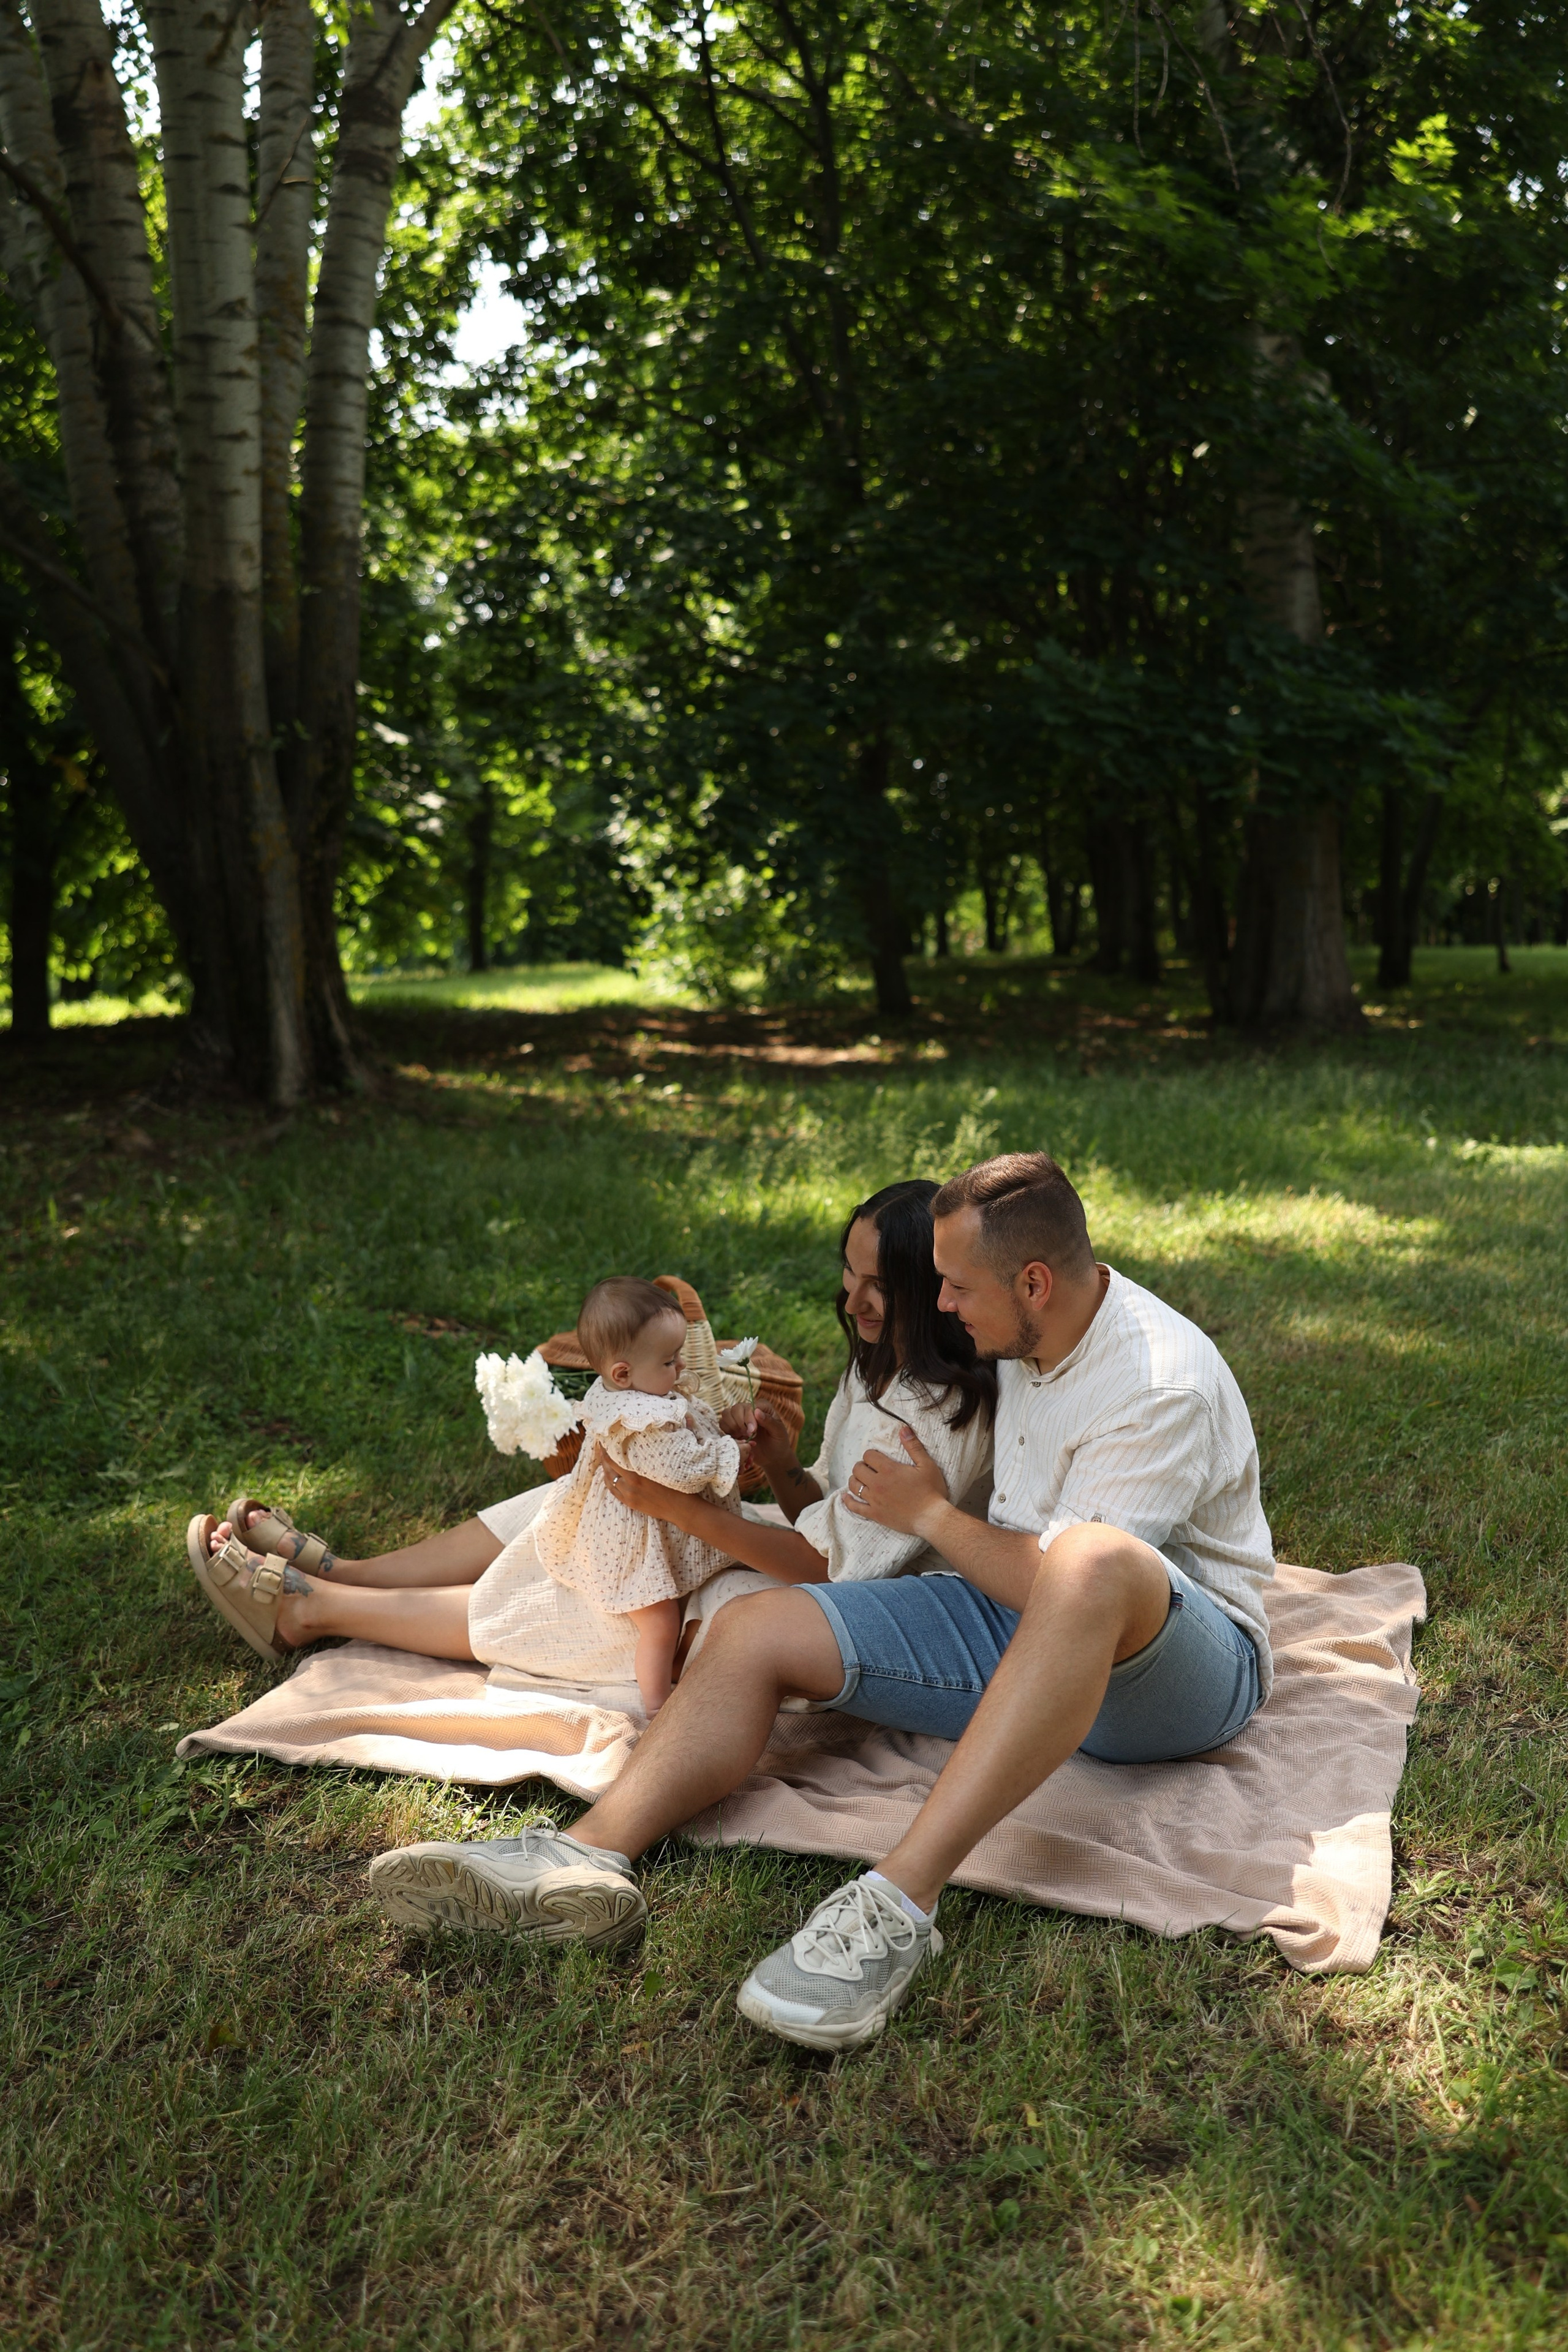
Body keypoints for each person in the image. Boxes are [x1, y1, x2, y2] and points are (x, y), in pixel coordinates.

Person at [368, 1152, 1275, 2055]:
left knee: (1091, 1560)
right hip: (1012, 1619)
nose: (943, 1304)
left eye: (956, 1286)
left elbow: (1066, 1588)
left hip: (1170, 1677)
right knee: (753, 1625)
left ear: (1033, 1282)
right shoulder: (1029, 1333)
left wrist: (924, 1515)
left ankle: (898, 1901)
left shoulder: (1159, 1383)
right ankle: (585, 1855)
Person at [184, 1180, 995, 1706]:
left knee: (624, 1592)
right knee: (578, 1505)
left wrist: (680, 1509)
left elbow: (835, 1570)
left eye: (877, 1287)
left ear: (930, 1294)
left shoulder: (937, 1420)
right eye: (848, 1274)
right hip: (804, 1556)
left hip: (851, 1613)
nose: (850, 1299)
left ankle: (314, 1612)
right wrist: (782, 1462)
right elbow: (822, 1519)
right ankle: (347, 1571)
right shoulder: (880, 1370)